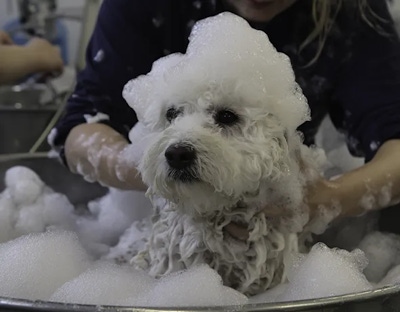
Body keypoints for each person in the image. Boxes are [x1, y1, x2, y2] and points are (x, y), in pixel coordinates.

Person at [49, 0, 400, 237]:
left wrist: (319, 201)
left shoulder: (354, 10)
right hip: (141, 221)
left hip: (283, 224)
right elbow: (82, 126)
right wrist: (150, 171)